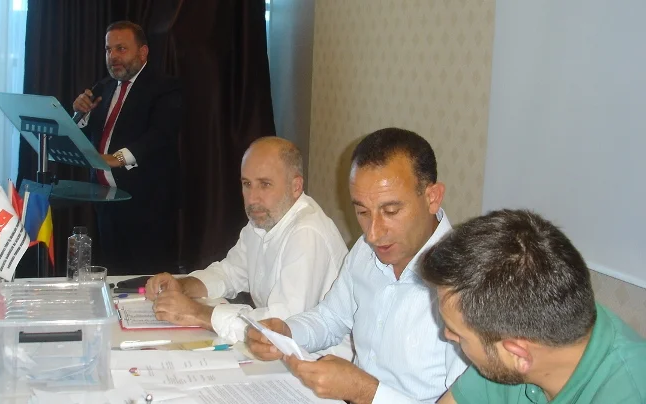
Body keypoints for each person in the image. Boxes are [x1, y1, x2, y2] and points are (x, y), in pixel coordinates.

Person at [246, 128, 468, 403]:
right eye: (362, 212)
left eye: (390, 211)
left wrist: (364, 392)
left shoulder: (467, 284)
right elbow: (331, 318)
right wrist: (287, 332)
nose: (373, 233)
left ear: (432, 197)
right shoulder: (365, 249)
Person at [418, 209, 646, 404]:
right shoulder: (517, 331)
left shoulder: (629, 392)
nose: (447, 335)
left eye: (459, 335)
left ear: (518, 355)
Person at [144, 137, 350, 350]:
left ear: (296, 186)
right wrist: (183, 286)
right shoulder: (264, 220)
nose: (252, 199)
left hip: (317, 360)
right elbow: (230, 272)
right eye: (247, 184)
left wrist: (196, 313)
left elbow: (280, 326)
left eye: (265, 184)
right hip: (279, 355)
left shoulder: (307, 233)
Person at [72, 21, 182, 275]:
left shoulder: (165, 87)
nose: (113, 57)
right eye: (108, 50)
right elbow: (89, 135)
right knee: (113, 278)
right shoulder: (103, 87)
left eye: (121, 49)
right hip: (105, 202)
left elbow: (160, 135)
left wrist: (117, 158)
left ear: (143, 52)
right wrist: (80, 114)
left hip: (147, 205)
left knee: (146, 281)